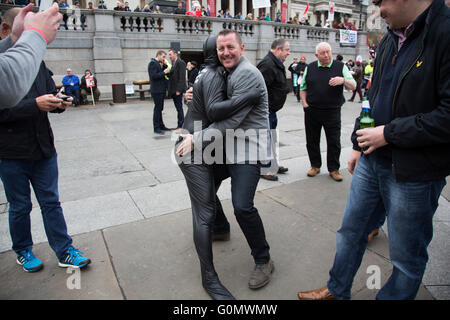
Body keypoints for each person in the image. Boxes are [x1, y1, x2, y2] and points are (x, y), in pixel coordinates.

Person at [298, 0, 450, 300]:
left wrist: (389, 134)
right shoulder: (390, 38)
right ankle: (337, 289)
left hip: (415, 172)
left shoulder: (444, 33)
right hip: (371, 160)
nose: (377, 10)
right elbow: (372, 96)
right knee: (350, 232)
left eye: (380, 2)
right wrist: (358, 143)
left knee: (406, 258)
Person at [177, 30, 274, 290]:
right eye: (221, 49)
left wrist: (196, 139)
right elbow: (214, 102)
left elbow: (230, 120)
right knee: (206, 188)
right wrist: (195, 96)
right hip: (225, 147)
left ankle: (263, 259)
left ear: (241, 47)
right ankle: (219, 227)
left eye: (230, 47)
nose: (226, 53)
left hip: (246, 150)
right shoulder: (225, 72)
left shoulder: (246, 74)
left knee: (242, 206)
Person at [0, 9, 91, 273]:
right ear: (7, 29)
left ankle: (64, 250)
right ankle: (23, 250)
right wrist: (35, 105)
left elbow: (47, 94)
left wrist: (60, 101)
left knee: (51, 202)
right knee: (20, 206)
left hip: (43, 149)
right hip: (12, 153)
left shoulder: (36, 61)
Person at [299, 42, 356, 182]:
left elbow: (353, 85)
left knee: (334, 141)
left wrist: (343, 80)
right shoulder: (310, 67)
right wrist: (305, 103)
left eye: (328, 52)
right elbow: (303, 87)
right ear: (316, 55)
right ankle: (315, 165)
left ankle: (334, 169)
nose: (326, 55)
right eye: (323, 53)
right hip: (312, 111)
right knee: (312, 140)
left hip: (332, 111)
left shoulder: (340, 66)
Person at [0, 3, 62, 109]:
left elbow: (49, 90)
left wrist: (57, 101)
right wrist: (36, 34)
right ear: (5, 29)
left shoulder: (38, 61)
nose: (26, 38)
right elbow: (9, 87)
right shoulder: (28, 56)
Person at [257, 38, 291, 181]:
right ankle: (265, 168)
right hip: (266, 111)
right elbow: (258, 89)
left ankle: (273, 164)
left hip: (272, 111)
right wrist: (264, 109)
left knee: (272, 139)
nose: (288, 53)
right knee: (266, 140)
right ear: (278, 49)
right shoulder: (268, 64)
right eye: (287, 50)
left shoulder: (275, 63)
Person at [148, 50, 170, 135]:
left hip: (160, 89)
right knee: (157, 109)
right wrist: (164, 72)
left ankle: (161, 125)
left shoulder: (158, 64)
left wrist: (164, 66)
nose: (164, 58)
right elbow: (154, 76)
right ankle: (156, 127)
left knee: (160, 108)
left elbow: (162, 75)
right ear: (159, 55)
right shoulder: (152, 63)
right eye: (163, 57)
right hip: (156, 90)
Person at [167, 48, 187, 130]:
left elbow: (182, 78)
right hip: (173, 90)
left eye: (170, 54)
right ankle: (179, 125)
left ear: (175, 54)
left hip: (177, 90)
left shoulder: (180, 63)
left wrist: (179, 90)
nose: (169, 56)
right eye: (169, 55)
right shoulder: (173, 63)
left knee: (179, 108)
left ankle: (181, 125)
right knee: (178, 108)